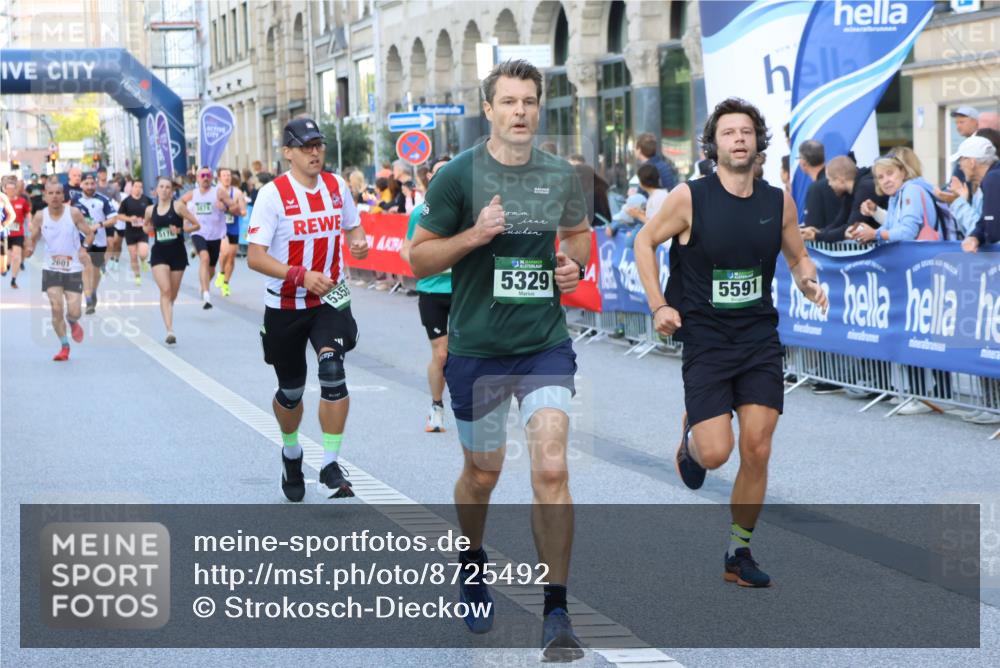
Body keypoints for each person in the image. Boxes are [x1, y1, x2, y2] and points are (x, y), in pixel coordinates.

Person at [409, 59, 591, 661]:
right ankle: (471, 556)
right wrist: (473, 238)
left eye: (529, 101)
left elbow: (577, 238)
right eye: (509, 101)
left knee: (552, 469)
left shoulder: (560, 174)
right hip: (478, 351)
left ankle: (556, 610)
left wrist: (573, 265)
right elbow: (420, 259)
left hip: (543, 345)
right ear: (488, 109)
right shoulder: (457, 177)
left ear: (539, 108)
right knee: (483, 473)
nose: (520, 111)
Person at [634, 97, 828, 590]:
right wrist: (659, 305)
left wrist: (810, 281)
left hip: (758, 336)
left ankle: (738, 550)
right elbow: (644, 242)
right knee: (717, 454)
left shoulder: (777, 200)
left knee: (757, 448)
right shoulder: (688, 198)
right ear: (714, 144)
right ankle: (693, 441)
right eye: (728, 132)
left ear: (758, 141)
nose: (738, 138)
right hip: (706, 336)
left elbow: (798, 257)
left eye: (746, 131)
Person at [247, 116, 370, 503]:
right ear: (288, 153)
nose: (315, 152)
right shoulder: (272, 195)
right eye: (306, 146)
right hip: (285, 304)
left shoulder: (336, 186)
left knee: (333, 370)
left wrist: (359, 240)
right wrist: (300, 275)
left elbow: (352, 227)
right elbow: (254, 257)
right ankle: (291, 452)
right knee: (291, 391)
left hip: (329, 300)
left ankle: (330, 463)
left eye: (318, 144)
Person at [400, 156, 452, 433]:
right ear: (430, 177)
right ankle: (436, 407)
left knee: (468, 351)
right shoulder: (421, 213)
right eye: (438, 173)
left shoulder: (469, 213)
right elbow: (406, 249)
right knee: (441, 354)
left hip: (465, 290)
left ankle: (474, 407)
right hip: (432, 291)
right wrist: (422, 263)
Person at [25, 177, 94, 360]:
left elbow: (89, 234)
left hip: (72, 268)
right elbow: (33, 237)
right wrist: (30, 248)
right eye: (51, 193)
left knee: (74, 311)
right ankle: (64, 346)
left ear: (63, 195)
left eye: (58, 193)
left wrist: (83, 249)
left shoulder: (74, 213)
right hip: (52, 268)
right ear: (45, 196)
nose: (54, 197)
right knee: (56, 308)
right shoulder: (40, 216)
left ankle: (72, 322)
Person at [144, 176, 200, 345]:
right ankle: (170, 330)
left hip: (177, 253)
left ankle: (168, 309)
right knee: (166, 291)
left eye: (168, 187)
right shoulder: (149, 210)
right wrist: (149, 229)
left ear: (172, 191)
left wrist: (180, 229)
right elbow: (146, 226)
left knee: (172, 295)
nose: (164, 190)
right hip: (159, 253)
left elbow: (196, 225)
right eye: (161, 187)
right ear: (156, 190)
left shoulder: (178, 207)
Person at [853, 154, 940, 243]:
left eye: (890, 173)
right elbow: (890, 228)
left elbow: (908, 233)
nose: (886, 180)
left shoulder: (911, 190)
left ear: (903, 172)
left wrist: (875, 234)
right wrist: (866, 234)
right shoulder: (895, 196)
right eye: (880, 177)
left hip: (924, 255)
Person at [802, 156, 887, 243]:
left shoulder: (865, 188)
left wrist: (816, 236)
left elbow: (851, 228)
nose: (829, 184)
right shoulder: (849, 193)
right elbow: (839, 222)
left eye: (830, 180)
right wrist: (817, 232)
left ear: (840, 180)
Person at [183, 167, 228, 309]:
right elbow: (178, 204)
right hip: (198, 232)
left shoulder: (218, 192)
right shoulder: (192, 194)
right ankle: (206, 294)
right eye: (202, 175)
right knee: (204, 258)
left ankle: (204, 285)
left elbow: (233, 206)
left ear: (212, 177)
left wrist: (225, 207)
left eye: (208, 175)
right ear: (197, 178)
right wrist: (184, 218)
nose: (205, 177)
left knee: (212, 269)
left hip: (215, 234)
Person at [75, 173, 119, 314]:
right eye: (86, 184)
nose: (89, 186)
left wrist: (99, 225)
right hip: (81, 241)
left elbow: (114, 219)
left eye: (92, 183)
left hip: (99, 241)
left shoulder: (103, 200)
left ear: (95, 184)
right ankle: (88, 299)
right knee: (85, 268)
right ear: (81, 184)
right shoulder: (74, 200)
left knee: (95, 271)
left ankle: (93, 291)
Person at [936, 136, 997, 238]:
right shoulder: (982, 187)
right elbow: (971, 232)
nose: (959, 166)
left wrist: (957, 202)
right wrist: (962, 200)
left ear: (972, 162)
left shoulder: (992, 182)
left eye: (961, 160)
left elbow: (984, 232)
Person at [215, 167, 248, 297]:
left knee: (232, 258)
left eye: (228, 175)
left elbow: (244, 211)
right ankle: (221, 272)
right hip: (221, 228)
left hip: (233, 227)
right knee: (225, 252)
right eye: (224, 175)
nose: (227, 178)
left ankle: (226, 284)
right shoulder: (216, 193)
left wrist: (236, 210)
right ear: (219, 178)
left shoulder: (238, 193)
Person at [798, 140, 842, 230]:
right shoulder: (838, 178)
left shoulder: (816, 188)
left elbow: (812, 226)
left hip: (827, 240)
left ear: (803, 162)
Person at [118, 179, 152, 284]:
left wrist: (149, 222)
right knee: (133, 256)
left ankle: (143, 260)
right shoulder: (126, 201)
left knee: (143, 253)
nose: (138, 189)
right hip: (130, 232)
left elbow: (152, 212)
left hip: (142, 231)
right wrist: (129, 219)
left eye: (140, 187)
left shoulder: (147, 200)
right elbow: (119, 216)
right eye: (136, 186)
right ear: (132, 187)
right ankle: (137, 276)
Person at [3, 177, 30, 288]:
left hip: (18, 232)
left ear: (15, 190)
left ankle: (13, 280)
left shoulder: (22, 201)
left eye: (12, 189)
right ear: (5, 190)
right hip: (5, 232)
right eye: (8, 189)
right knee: (8, 257)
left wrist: (30, 222)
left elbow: (28, 212)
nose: (10, 191)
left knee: (17, 257)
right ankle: (6, 266)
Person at [97, 167, 125, 273]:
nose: (103, 175)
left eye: (104, 173)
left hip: (109, 219)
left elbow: (119, 201)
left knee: (111, 243)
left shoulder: (112, 188)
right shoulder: (94, 187)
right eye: (101, 173)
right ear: (98, 174)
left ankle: (103, 264)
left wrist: (121, 211)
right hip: (97, 219)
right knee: (98, 244)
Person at [951, 107, 980, 182]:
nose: (958, 126)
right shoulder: (969, 142)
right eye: (956, 123)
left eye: (961, 122)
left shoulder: (979, 143)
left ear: (975, 122)